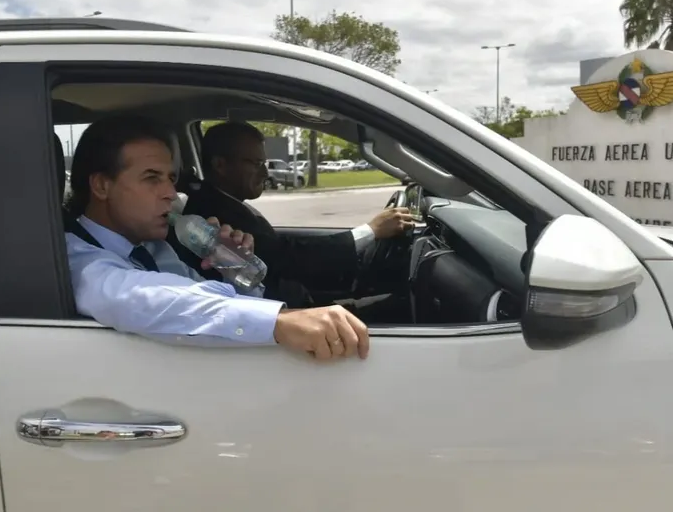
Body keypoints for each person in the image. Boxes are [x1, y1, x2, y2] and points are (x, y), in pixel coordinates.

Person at [63, 114, 369, 361]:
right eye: (151, 178)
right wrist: (278, 321)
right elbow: (142, 298)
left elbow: (212, 305)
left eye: (170, 178)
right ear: (102, 186)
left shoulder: (156, 249)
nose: (171, 193)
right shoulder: (74, 257)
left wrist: (236, 273)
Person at [171, 121, 414, 307]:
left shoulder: (223, 201)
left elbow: (282, 252)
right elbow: (288, 258)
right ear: (220, 165)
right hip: (283, 314)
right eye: (256, 163)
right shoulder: (212, 216)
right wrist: (370, 231)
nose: (266, 172)